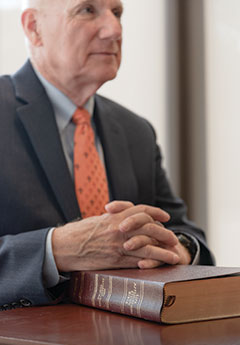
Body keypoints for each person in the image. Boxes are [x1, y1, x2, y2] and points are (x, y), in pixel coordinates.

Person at [0, 0, 214, 310]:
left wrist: (175, 249)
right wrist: (55, 250)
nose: (114, 30)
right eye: (86, 10)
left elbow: (188, 234)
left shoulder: (136, 131)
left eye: (118, 13)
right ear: (34, 27)